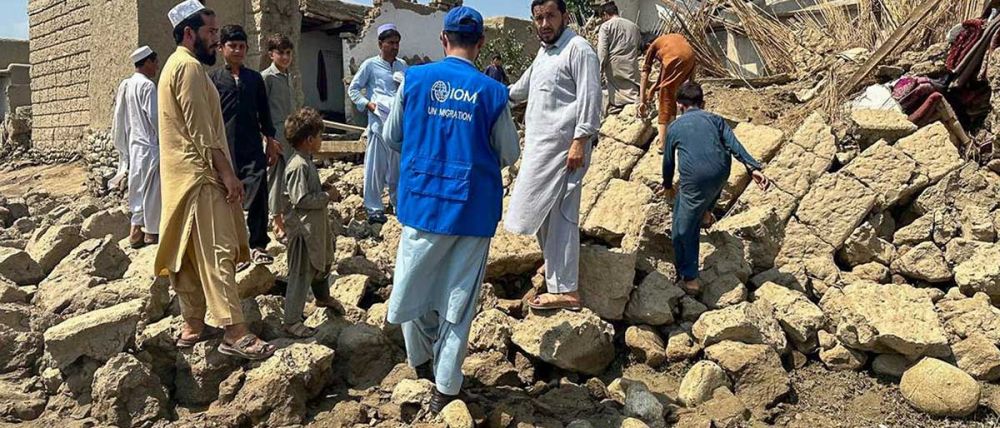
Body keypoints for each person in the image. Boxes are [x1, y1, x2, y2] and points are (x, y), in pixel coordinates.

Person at [382, 6, 520, 413]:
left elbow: (392, 137)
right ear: (480, 43)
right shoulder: (492, 92)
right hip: (471, 211)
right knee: (458, 302)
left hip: (422, 203)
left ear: (443, 39)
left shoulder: (414, 79)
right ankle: (445, 387)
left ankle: (421, 363)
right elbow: (509, 152)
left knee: (413, 288)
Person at [157, 0, 275, 360]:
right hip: (201, 178)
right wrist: (227, 175)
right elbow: (202, 132)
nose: (215, 39)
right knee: (218, 252)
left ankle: (192, 325)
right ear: (189, 33)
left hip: (180, 178)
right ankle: (234, 331)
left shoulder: (173, 66)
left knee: (189, 255)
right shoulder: (190, 68)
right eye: (210, 32)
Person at [507, 0, 602, 310]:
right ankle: (555, 268)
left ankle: (566, 290)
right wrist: (485, 92)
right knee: (540, 212)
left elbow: (591, 98)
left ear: (565, 16)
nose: (545, 24)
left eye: (550, 16)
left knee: (561, 215)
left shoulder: (579, 49)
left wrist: (580, 141)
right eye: (539, 18)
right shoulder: (545, 52)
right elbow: (518, 90)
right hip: (540, 149)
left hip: (565, 150)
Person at [662, 82, 769, 295]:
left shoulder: (674, 127)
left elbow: (668, 162)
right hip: (721, 173)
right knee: (713, 182)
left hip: (695, 179)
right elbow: (733, 144)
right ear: (702, 103)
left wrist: (667, 185)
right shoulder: (716, 119)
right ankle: (706, 212)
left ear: (679, 105)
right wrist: (753, 168)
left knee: (682, 229)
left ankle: (690, 278)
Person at [209, 24, 280, 268]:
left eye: (242, 46)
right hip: (224, 149)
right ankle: (234, 250)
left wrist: (270, 140)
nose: (238, 50)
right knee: (227, 197)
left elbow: (264, 113)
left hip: (252, 146)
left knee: (258, 191)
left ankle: (258, 245)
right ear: (221, 48)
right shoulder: (213, 80)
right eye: (233, 46)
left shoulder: (254, 79)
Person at [281, 107, 344, 338]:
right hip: (303, 232)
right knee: (301, 273)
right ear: (309, 140)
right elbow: (301, 199)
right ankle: (291, 321)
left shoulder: (306, 161)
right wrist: (327, 196)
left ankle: (322, 297)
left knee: (322, 262)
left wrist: (322, 188)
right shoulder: (298, 165)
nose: (321, 140)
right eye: (319, 136)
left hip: (315, 227)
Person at [348, 24, 408, 224]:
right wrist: (368, 104)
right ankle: (374, 209)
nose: (395, 47)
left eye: (397, 43)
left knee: (397, 168)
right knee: (376, 168)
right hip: (378, 124)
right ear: (380, 44)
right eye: (391, 43)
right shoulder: (370, 65)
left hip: (397, 125)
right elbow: (354, 89)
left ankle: (398, 204)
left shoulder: (402, 66)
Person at [110, 46, 162, 249]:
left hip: (134, 146)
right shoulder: (147, 86)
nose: (157, 67)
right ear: (147, 62)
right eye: (155, 63)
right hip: (150, 145)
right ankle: (151, 233)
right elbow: (154, 117)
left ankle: (135, 231)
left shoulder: (127, 84)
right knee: (152, 190)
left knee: (138, 187)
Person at [263, 33, 297, 242]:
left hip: (290, 136)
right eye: (280, 53)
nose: (285, 57)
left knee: (290, 178)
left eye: (288, 53)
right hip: (274, 137)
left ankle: (288, 217)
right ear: (271, 54)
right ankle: (276, 222)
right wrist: (268, 139)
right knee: (275, 179)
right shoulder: (267, 77)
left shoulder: (288, 76)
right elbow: (260, 111)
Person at [638, 33, 695, 153]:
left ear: (648, 45)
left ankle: (662, 143)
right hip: (691, 57)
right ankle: (674, 131)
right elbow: (665, 75)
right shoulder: (668, 41)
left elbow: (644, 75)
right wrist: (653, 89)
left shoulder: (653, 46)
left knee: (664, 98)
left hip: (677, 58)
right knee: (672, 94)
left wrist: (642, 102)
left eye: (645, 53)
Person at [597, 1, 641, 114]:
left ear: (605, 14)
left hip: (614, 66)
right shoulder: (634, 26)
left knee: (616, 94)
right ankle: (635, 108)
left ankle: (617, 111)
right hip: (631, 64)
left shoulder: (606, 26)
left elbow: (602, 51)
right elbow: (638, 47)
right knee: (631, 90)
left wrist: (600, 68)